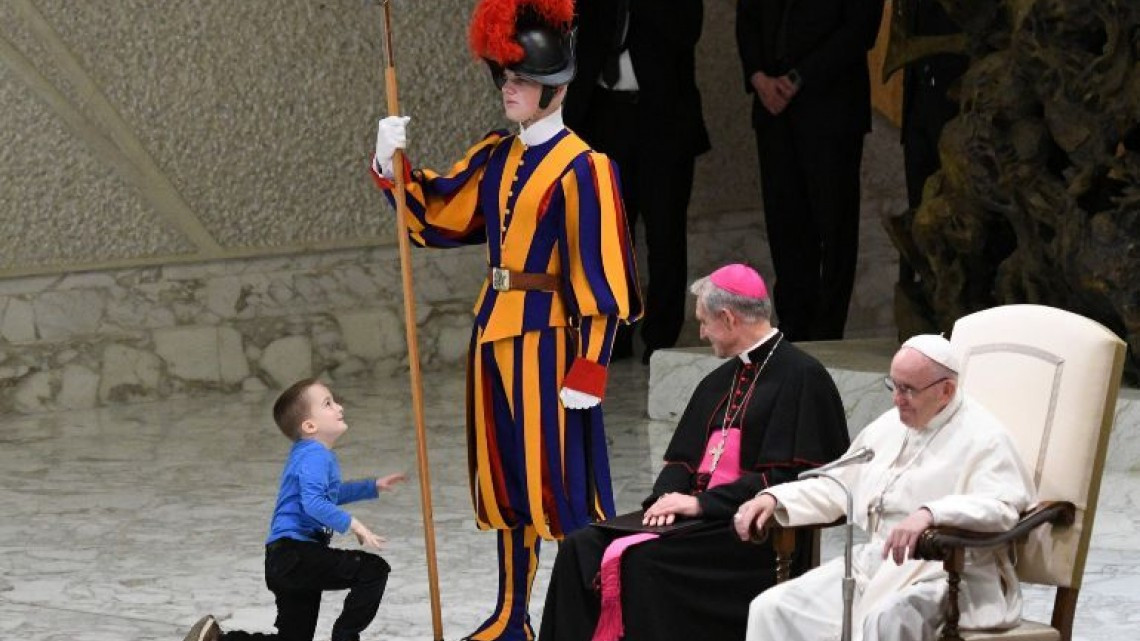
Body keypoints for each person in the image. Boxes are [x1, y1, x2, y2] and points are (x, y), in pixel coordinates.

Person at [369, 1, 643, 638]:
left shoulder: (585, 167)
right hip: (493, 335)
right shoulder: (498, 153)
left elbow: (604, 281)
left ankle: (595, 618)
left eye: (520, 77)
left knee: (567, 488)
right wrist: (392, 167)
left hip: (552, 343)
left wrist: (591, 370)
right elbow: (439, 215)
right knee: (506, 482)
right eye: (504, 77)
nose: (508, 89)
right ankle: (510, 615)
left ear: (555, 84)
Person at [538, 263, 850, 641]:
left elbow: (795, 480)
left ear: (728, 317)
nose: (701, 333)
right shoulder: (717, 380)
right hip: (696, 524)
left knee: (641, 563)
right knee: (580, 546)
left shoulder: (804, 377)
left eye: (704, 322)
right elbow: (680, 461)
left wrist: (700, 505)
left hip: (750, 535)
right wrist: (667, 499)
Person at [735, 334, 1037, 641]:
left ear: (945, 391)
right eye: (893, 385)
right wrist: (777, 499)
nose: (896, 399)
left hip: (944, 574)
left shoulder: (985, 438)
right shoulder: (889, 425)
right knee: (771, 608)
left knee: (885, 618)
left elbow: (1002, 508)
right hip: (876, 564)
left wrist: (931, 513)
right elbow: (841, 487)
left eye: (908, 390)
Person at [181, 378, 407, 641]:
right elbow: (314, 503)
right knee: (373, 570)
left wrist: (372, 487)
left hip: (284, 560)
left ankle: (218, 640)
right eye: (328, 403)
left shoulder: (307, 454)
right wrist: (354, 524)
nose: (339, 407)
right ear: (310, 426)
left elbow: (328, 496)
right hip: (296, 554)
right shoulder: (315, 455)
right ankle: (345, 637)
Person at [563, 0, 710, 363]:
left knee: (665, 233)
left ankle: (661, 338)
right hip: (603, 114)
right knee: (610, 234)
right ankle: (616, 333)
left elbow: (687, 29)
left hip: (661, 118)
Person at [735, 0, 884, 342]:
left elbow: (860, 29)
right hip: (773, 112)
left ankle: (828, 330)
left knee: (835, 225)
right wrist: (758, 76)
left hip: (832, 108)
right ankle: (794, 326)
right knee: (785, 223)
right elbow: (748, 17)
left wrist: (798, 78)